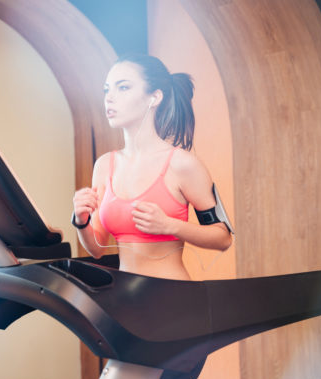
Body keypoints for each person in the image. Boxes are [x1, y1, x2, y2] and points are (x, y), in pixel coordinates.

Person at [72, 53, 232, 281]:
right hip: (125, 299)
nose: (110, 98)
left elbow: (223, 238)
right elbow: (97, 249)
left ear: (154, 97)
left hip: (173, 298)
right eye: (107, 90)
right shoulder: (104, 166)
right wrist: (81, 220)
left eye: (123, 88)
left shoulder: (182, 164)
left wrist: (169, 225)